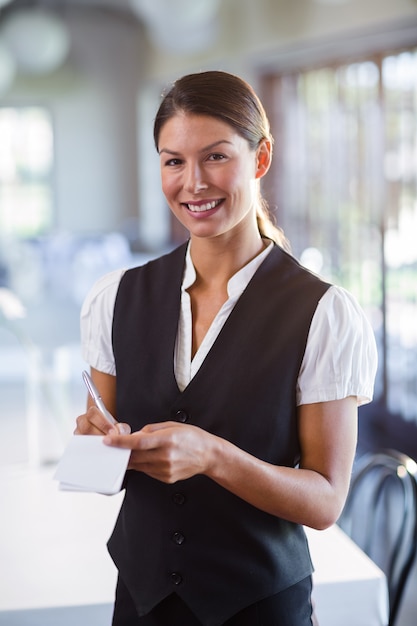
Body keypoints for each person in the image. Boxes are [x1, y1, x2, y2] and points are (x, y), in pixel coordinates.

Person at [75, 70, 378, 626]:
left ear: (260, 159)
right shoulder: (114, 298)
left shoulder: (324, 314)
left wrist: (215, 456)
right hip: (140, 605)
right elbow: (101, 471)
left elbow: (326, 501)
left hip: (259, 608)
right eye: (173, 161)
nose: (193, 183)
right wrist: (96, 447)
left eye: (215, 157)